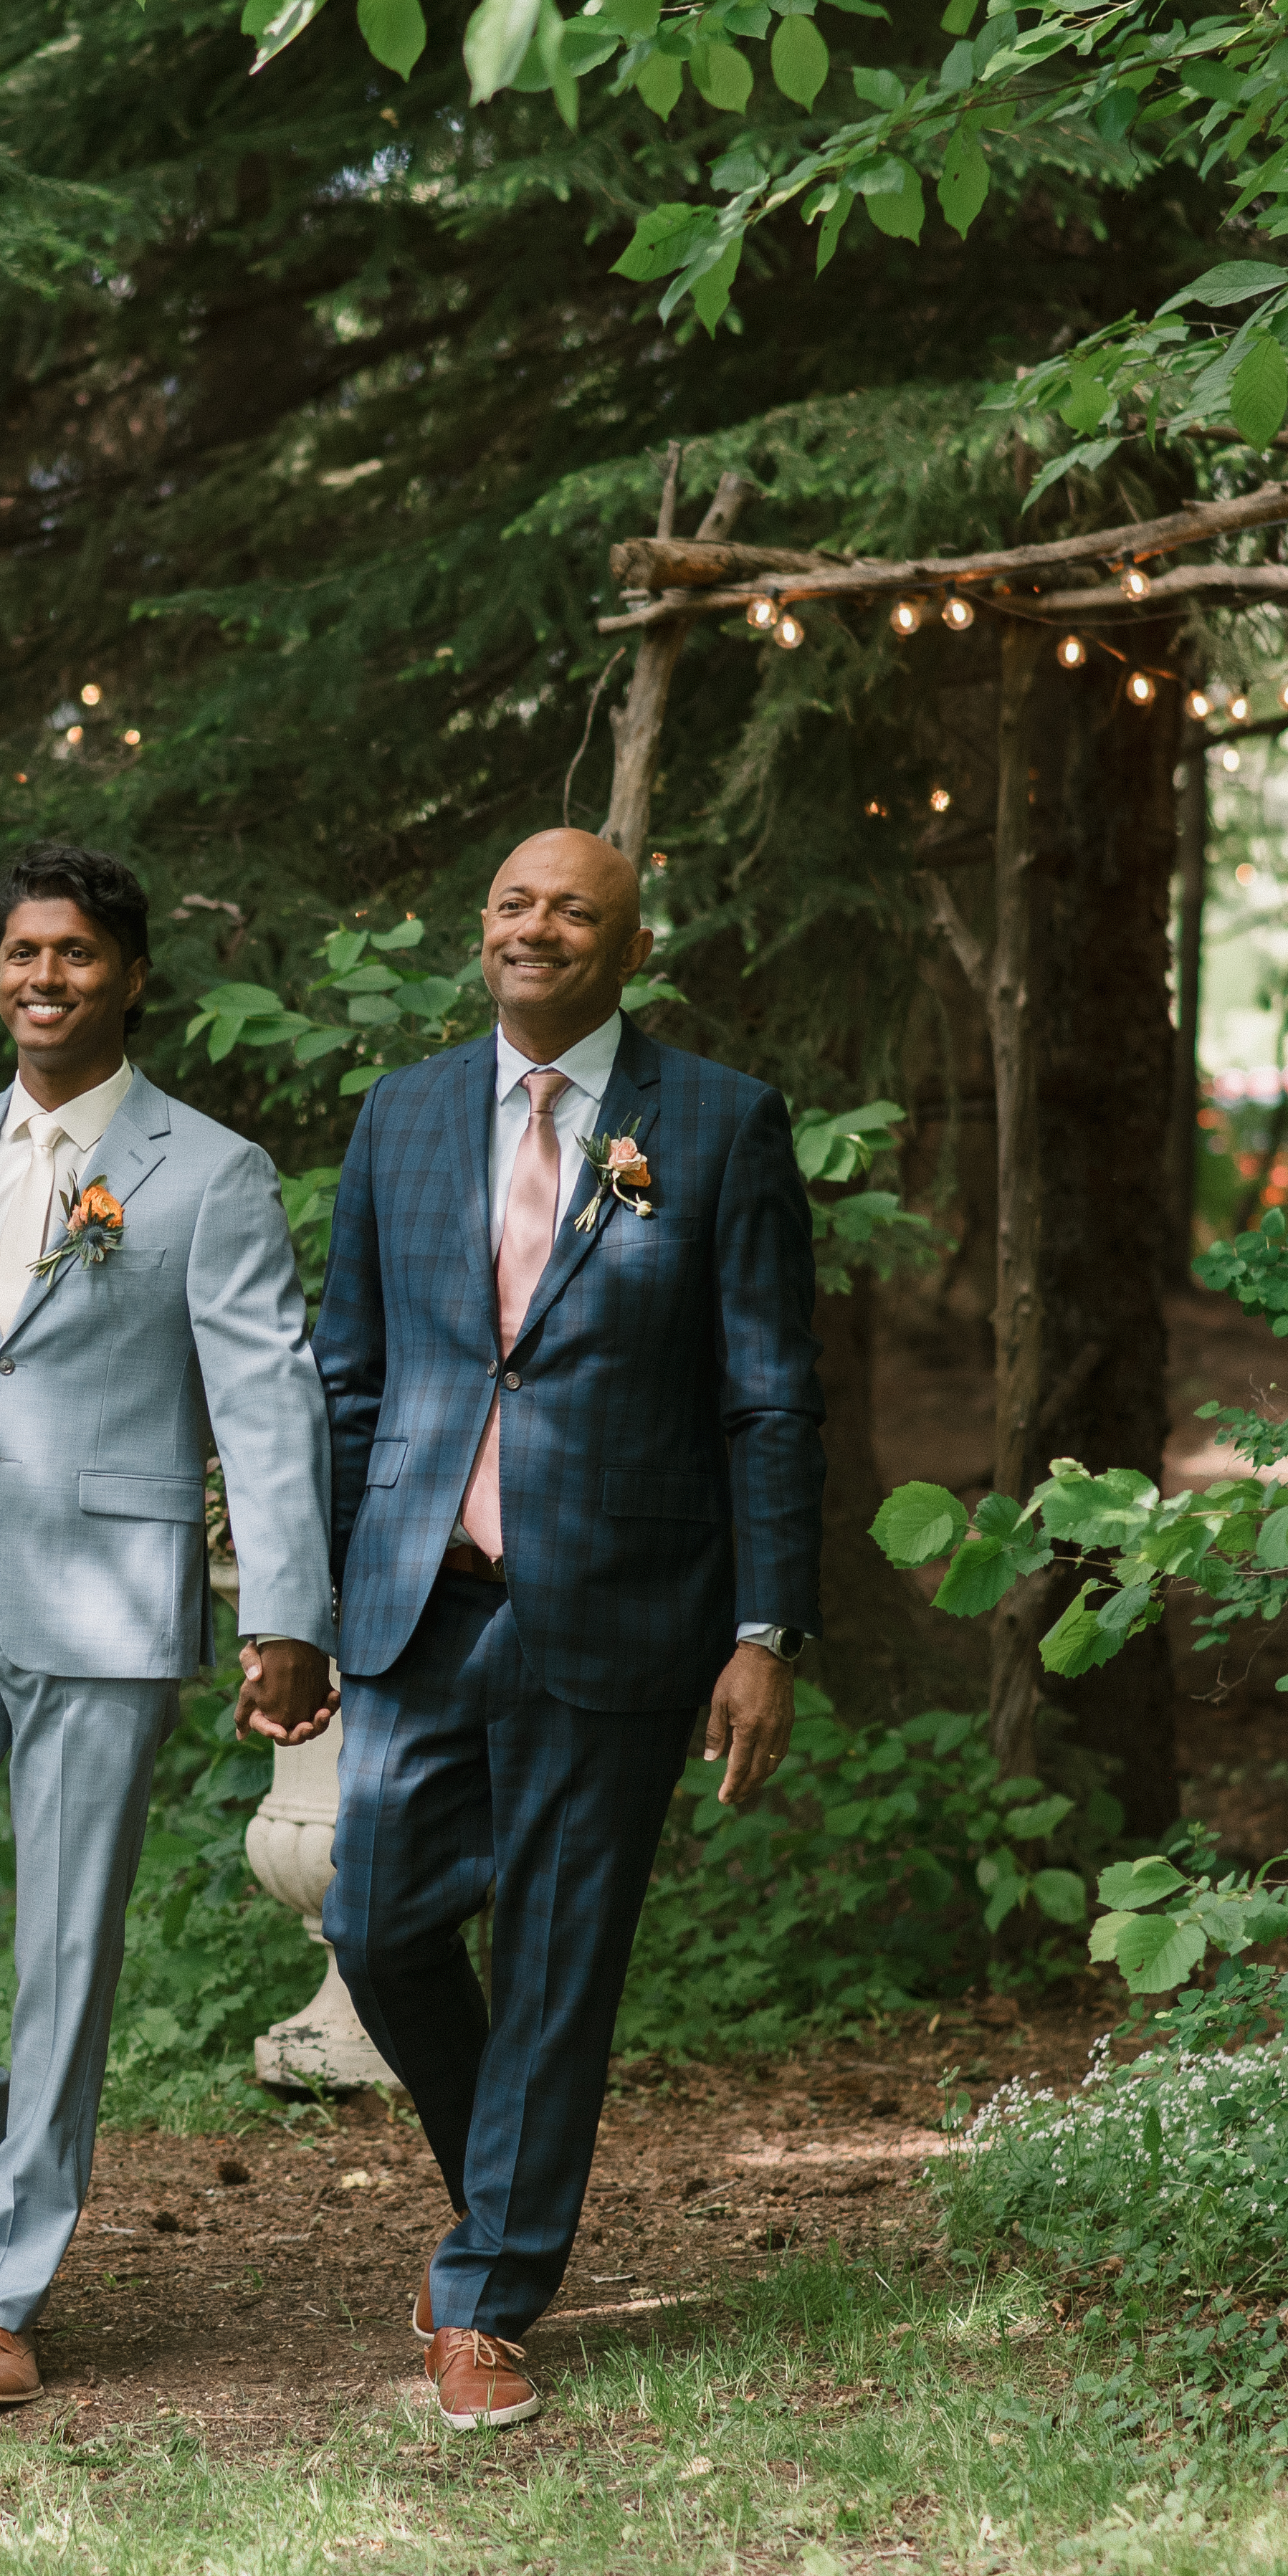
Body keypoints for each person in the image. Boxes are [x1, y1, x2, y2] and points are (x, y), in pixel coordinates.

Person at [0, 841, 336, 2413]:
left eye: (76, 955)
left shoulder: (208, 1169)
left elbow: (264, 1404)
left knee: (62, 1954)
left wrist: (286, 1613)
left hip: (102, 1600)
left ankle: (1, 2295)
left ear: (128, 978)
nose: (43, 977)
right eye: (21, 951)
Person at [311, 826, 824, 2433]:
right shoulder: (398, 1115)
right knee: (372, 1918)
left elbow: (766, 1394)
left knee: (556, 1957)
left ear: (626, 944)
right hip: (420, 1600)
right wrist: (305, 1605)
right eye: (514, 904)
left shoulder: (720, 1123)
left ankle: (485, 2297)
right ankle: (506, 2198)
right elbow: (344, 1374)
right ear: (484, 930)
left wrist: (764, 1628)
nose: (536, 929)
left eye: (571, 911)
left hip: (622, 1605)